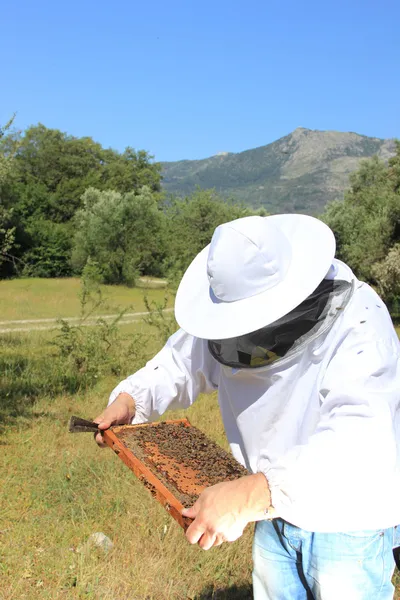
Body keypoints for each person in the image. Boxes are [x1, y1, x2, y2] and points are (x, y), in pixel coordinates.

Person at [94, 214, 400, 600]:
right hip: (271, 508)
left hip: (348, 519)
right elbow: (181, 360)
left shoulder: (359, 321)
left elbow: (360, 439)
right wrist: (132, 399)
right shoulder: (230, 315)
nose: (247, 336)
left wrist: (247, 496)